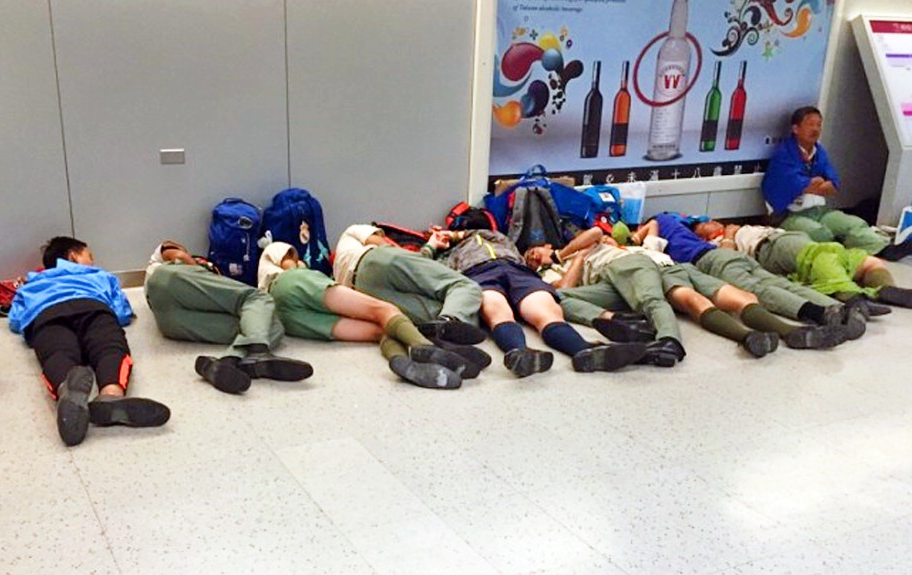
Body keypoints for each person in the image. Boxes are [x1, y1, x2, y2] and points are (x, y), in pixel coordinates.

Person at [526, 228, 843, 365]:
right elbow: (563, 291)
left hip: (639, 266)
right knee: (699, 299)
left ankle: (670, 341)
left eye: (533, 251)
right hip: (626, 280)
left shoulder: (575, 245)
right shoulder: (553, 271)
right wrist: (571, 261)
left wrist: (562, 253)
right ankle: (779, 331)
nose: (534, 257)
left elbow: (596, 234)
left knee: (719, 295)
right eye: (529, 258)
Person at [423, 224, 647, 377]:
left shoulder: (493, 237)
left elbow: (476, 233)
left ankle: (584, 351)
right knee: (497, 312)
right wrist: (436, 245)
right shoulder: (446, 256)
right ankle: (520, 352)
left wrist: (451, 235)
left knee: (546, 311)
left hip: (517, 270)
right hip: (476, 274)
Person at [9, 237, 170, 447]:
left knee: (56, 354)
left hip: (47, 315)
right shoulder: (99, 275)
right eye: (90, 256)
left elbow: (15, 319)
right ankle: (111, 394)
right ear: (73, 256)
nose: (93, 262)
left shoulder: (32, 283)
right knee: (109, 348)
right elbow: (121, 310)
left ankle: (66, 387)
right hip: (92, 307)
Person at [257, 242, 479, 389]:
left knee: (379, 332)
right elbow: (289, 264)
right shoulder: (279, 254)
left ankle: (400, 360)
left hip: (286, 317)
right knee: (383, 310)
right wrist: (299, 266)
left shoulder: (263, 291)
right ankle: (426, 347)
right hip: (293, 284)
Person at [638, 213, 867, 340]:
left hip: (712, 260)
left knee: (759, 291)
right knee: (777, 283)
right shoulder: (685, 231)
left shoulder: (662, 222)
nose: (712, 224)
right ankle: (836, 307)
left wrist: (635, 237)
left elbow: (644, 237)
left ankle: (818, 313)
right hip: (734, 257)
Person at [143, 240, 313, 395]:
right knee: (257, 297)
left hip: (170, 324)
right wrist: (195, 265)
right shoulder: (167, 256)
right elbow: (179, 254)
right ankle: (257, 352)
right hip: (168, 280)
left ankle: (228, 362)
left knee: (271, 326)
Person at [762, 106, 911, 261]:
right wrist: (816, 183)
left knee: (853, 224)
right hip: (790, 215)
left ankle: (884, 250)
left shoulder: (819, 152)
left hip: (819, 210)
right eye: (810, 125)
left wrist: (817, 184)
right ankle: (843, 256)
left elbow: (833, 185)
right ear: (796, 128)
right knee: (819, 233)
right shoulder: (784, 154)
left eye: (818, 125)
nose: (815, 129)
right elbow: (797, 184)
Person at [692, 221, 912, 309]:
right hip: (769, 247)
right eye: (703, 226)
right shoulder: (716, 244)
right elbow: (728, 258)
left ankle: (885, 290)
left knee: (866, 262)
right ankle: (854, 296)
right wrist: (728, 235)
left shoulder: (745, 224)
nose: (710, 223)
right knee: (818, 258)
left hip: (786, 237)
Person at [334, 225, 487, 347]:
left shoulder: (336, 272)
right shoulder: (353, 230)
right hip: (376, 259)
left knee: (441, 314)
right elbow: (393, 251)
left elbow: (412, 263)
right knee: (466, 286)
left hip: (361, 291)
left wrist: (431, 246)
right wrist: (430, 248)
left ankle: (443, 330)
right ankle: (447, 323)